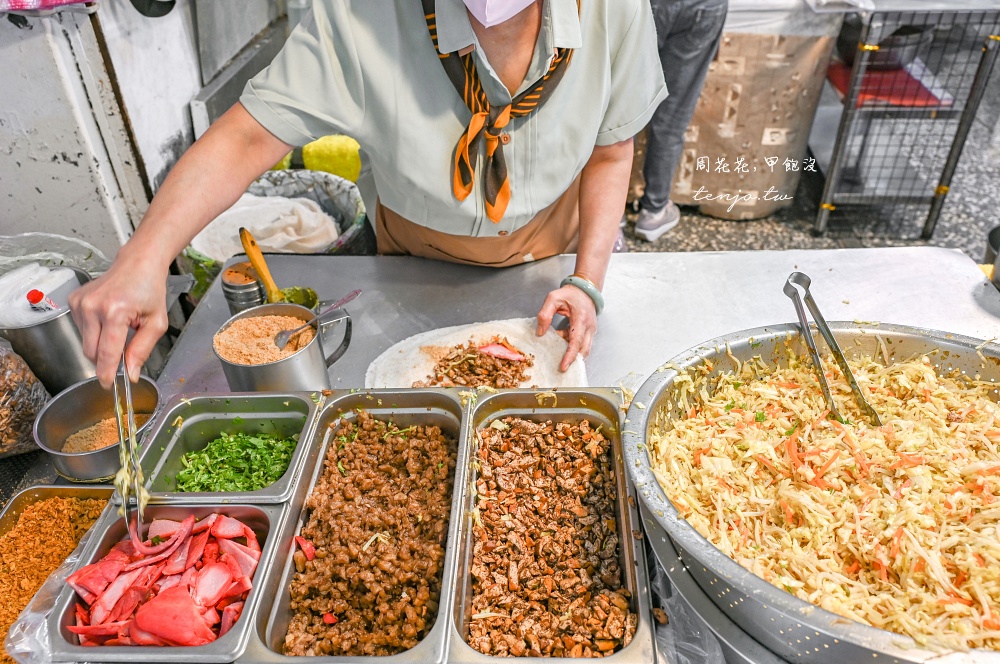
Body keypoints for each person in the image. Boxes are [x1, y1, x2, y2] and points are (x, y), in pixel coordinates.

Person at [71, 0, 666, 387]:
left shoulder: (615, 11)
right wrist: (144, 257)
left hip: (552, 257)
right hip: (417, 262)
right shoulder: (363, 14)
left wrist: (587, 282)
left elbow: (611, 152)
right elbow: (247, 135)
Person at [631, 0, 727, 241]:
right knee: (671, 118)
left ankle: (607, 215)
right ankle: (654, 211)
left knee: (623, 110)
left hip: (649, 4)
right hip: (704, 6)